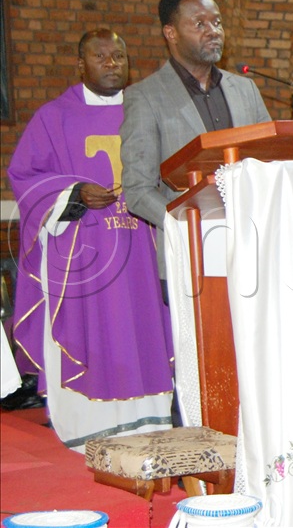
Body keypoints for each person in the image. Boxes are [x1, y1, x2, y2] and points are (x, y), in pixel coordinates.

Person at [7, 29, 174, 450]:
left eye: (119, 55)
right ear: (80, 65)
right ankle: (88, 433)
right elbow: (25, 178)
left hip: (144, 246)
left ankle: (153, 426)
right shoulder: (54, 117)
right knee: (97, 335)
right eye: (101, 56)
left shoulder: (152, 107)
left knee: (149, 329)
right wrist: (74, 194)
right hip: (83, 255)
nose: (112, 63)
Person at [120, 0, 271, 278]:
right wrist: (189, 224)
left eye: (217, 22)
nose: (213, 31)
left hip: (253, 249)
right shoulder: (146, 96)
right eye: (199, 23)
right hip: (190, 255)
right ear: (171, 33)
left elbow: (269, 162)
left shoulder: (245, 90)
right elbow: (138, 190)